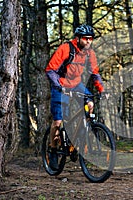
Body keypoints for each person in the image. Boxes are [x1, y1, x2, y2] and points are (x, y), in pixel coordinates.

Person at [45, 24, 104, 170]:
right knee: (58, 121)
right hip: (61, 84)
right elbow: (50, 70)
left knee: (90, 104)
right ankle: (53, 150)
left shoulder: (89, 53)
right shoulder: (66, 49)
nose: (89, 41)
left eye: (91, 39)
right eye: (86, 38)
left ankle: (79, 137)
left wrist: (103, 90)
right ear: (77, 38)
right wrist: (58, 86)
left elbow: (95, 73)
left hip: (76, 84)